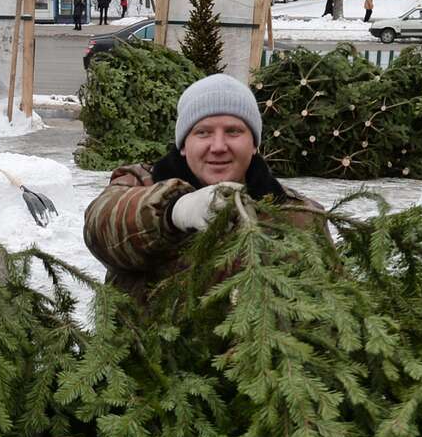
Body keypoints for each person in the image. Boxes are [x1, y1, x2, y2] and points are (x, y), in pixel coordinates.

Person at [83, 74, 321, 303]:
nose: (218, 146)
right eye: (203, 132)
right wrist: (174, 210)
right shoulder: (140, 182)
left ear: (254, 144)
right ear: (184, 145)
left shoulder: (296, 214)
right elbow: (99, 228)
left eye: (233, 131)